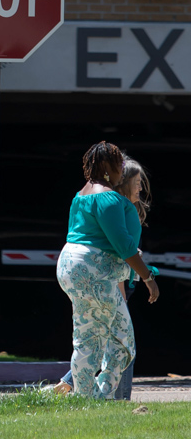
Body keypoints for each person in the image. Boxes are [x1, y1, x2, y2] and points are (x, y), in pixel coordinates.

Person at [56, 142, 159, 400]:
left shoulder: (80, 195)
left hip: (72, 267)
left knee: (94, 336)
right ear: (106, 167)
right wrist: (148, 277)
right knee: (109, 339)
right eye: (118, 164)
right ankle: (97, 397)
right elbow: (124, 246)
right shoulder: (108, 198)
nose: (121, 169)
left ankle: (89, 397)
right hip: (95, 272)